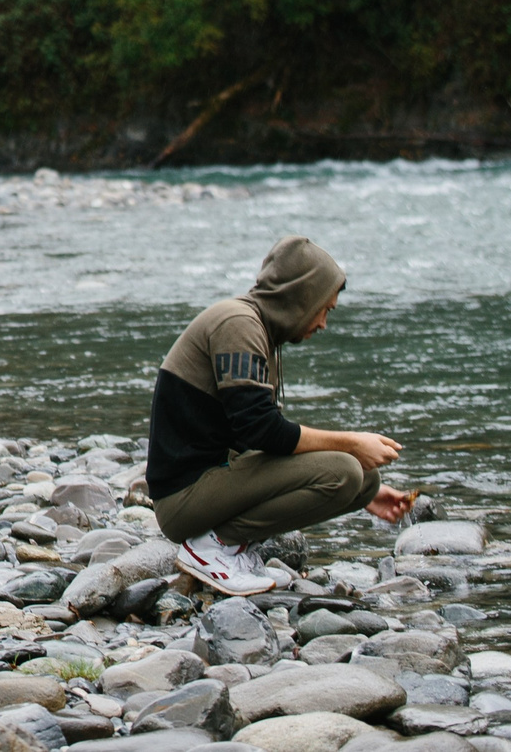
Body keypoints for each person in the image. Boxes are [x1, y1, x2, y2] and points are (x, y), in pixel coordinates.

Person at [145, 233, 416, 595]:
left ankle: (233, 548)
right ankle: (215, 547)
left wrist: (369, 492)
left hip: (210, 481)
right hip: (184, 499)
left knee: (364, 480)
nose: (323, 323)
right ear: (302, 297)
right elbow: (262, 431)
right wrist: (351, 443)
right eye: (325, 309)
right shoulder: (238, 324)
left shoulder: (257, 329)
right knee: (347, 469)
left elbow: (255, 438)